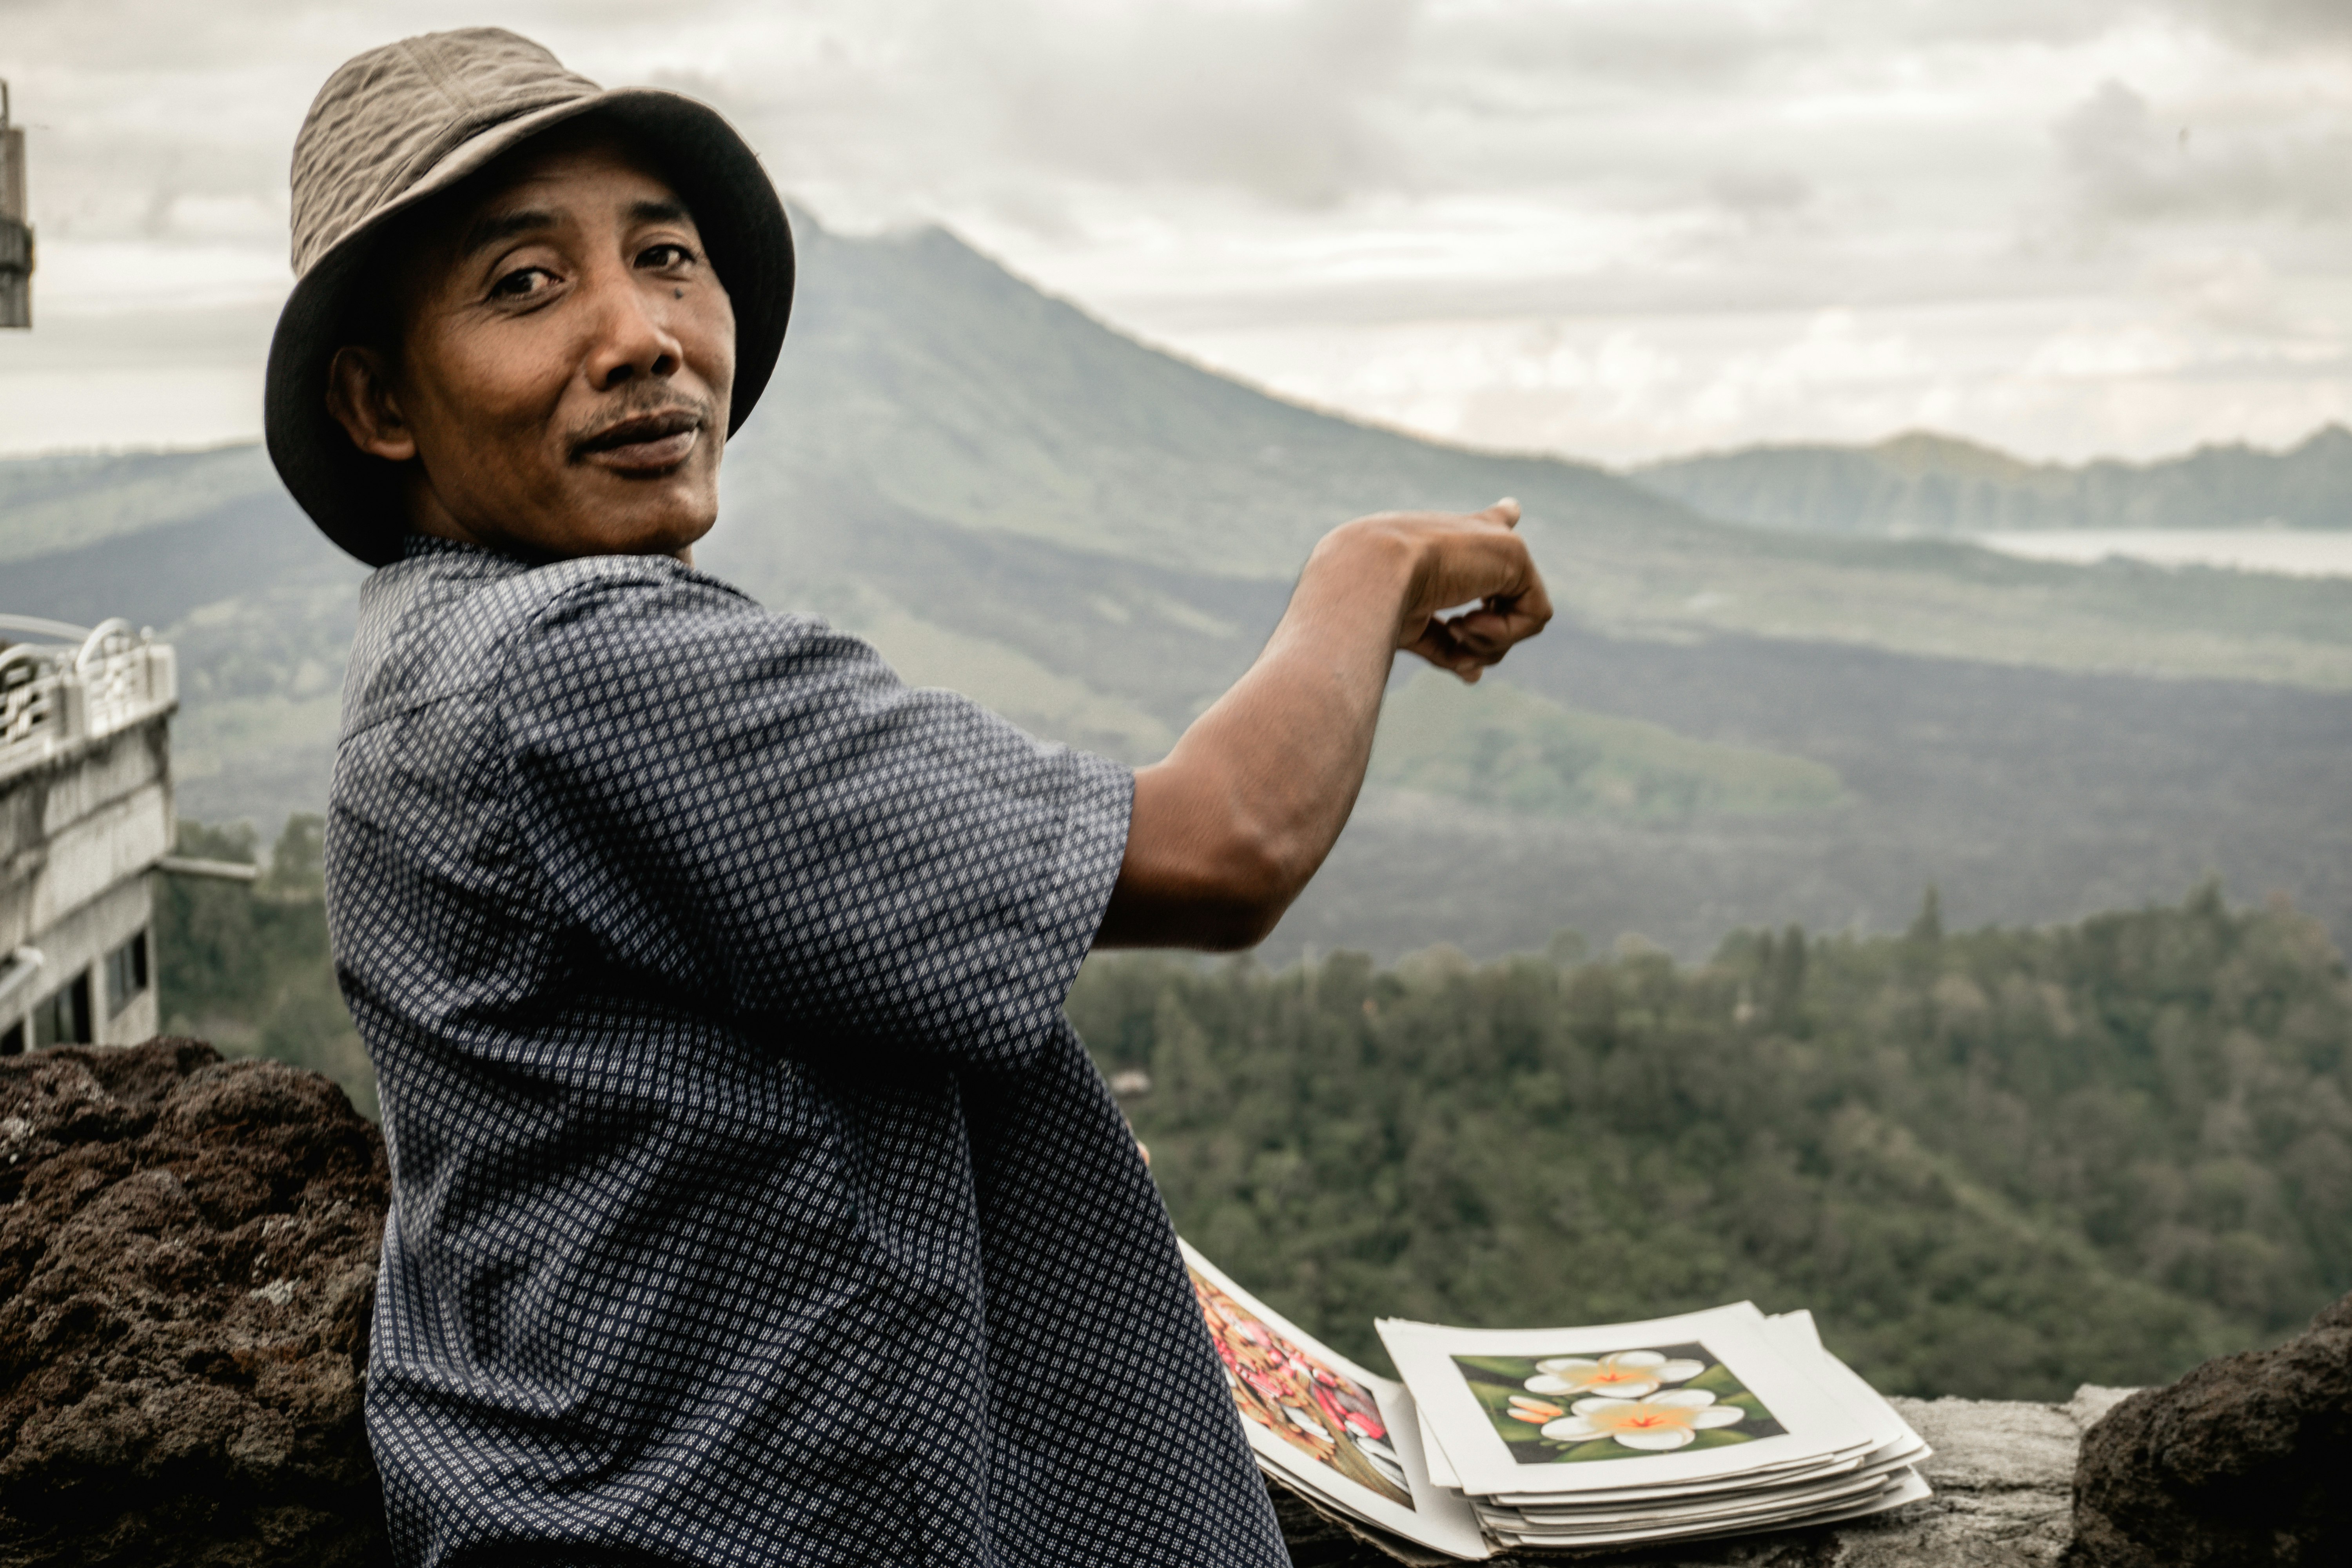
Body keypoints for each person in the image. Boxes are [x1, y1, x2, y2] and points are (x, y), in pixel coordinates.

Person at [267, 28, 1551, 1568]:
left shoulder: (433, 649)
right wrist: (1377, 565)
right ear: (379, 402)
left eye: (667, 257)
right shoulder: (581, 666)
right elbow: (1226, 848)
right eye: (525, 286)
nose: (639, 335)